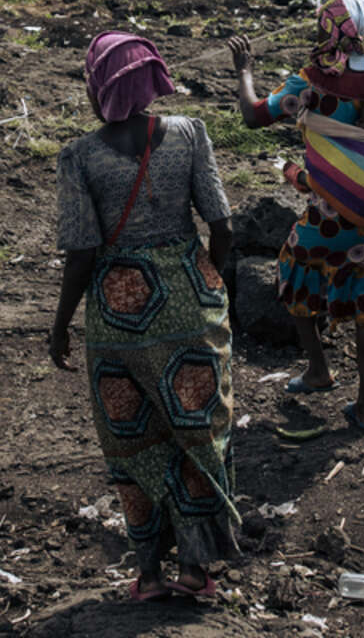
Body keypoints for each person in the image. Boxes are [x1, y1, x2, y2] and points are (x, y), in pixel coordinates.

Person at [50, 31, 238, 602]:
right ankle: (198, 572)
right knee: (197, 437)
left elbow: (82, 251)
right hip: (190, 302)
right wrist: (211, 287)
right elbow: (222, 226)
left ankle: (150, 575)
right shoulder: (189, 133)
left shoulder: (79, 156)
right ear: (151, 80)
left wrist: (60, 324)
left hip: (118, 314)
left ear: (97, 88)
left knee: (133, 443)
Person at [229, 0, 364, 432]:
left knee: (294, 273)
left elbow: (254, 116)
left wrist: (244, 70)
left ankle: (318, 369)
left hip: (326, 218)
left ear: (330, 29)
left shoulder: (309, 83)